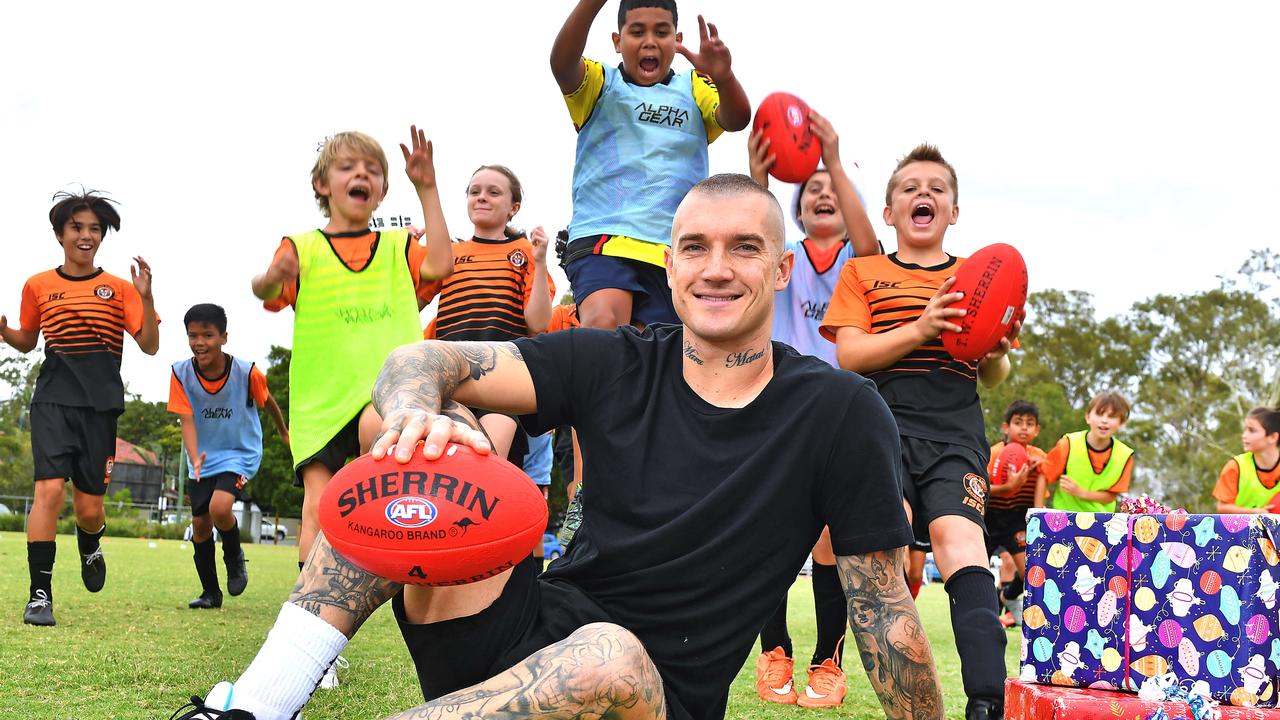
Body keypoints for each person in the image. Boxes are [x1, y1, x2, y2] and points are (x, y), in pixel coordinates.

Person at [174, 174, 943, 720]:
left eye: (744, 249)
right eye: (695, 248)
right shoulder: (613, 358)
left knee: (607, 652)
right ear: (668, 267)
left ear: (779, 270)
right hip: (519, 629)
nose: (716, 268)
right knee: (411, 459)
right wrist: (416, 416)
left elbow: (882, 610)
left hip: (646, 692)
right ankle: (254, 706)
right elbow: (420, 361)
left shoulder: (840, 409)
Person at [820, 144, 1016, 720]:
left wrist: (997, 348)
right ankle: (896, 698)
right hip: (879, 429)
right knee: (885, 545)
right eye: (908, 187)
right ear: (888, 213)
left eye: (936, 187)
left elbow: (994, 372)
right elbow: (850, 356)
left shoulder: (976, 277)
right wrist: (924, 324)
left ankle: (986, 700)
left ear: (954, 210)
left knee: (961, 546)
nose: (922, 193)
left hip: (955, 432)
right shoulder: (864, 272)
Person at [251, 127, 453, 569]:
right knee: (317, 508)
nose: (362, 173)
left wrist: (428, 188)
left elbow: (442, 264)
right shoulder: (301, 248)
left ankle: (391, 556)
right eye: (348, 167)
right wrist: (272, 275)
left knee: (379, 438)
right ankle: (309, 614)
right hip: (320, 399)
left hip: (385, 389)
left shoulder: (400, 245)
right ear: (323, 185)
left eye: (373, 170)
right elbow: (263, 290)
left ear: (381, 190)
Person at [745, 110, 878, 709]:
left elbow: (870, 239)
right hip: (774, 402)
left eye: (832, 189)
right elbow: (755, 225)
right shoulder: (782, 259)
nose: (822, 195)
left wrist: (829, 160)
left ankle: (828, 660)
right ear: (795, 211)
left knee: (829, 538)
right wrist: (760, 176)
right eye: (812, 191)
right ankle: (774, 649)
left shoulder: (861, 258)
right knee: (767, 531)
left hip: (838, 409)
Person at [0, 189, 159, 626]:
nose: (86, 236)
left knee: (89, 509)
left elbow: (148, 346)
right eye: (77, 228)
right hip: (52, 400)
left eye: (94, 229)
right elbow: (28, 339)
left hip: (101, 407)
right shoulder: (37, 285)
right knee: (48, 492)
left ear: (102, 236)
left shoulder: (121, 289)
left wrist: (145, 296)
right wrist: (5, 331)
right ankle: (39, 595)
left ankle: (90, 544)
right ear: (59, 234)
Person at [550, 0, 750, 330]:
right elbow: (562, 63)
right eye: (637, 31)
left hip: (673, 249)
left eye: (661, 32)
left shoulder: (694, 86)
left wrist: (724, 77)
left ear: (677, 38)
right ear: (617, 41)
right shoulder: (601, 85)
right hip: (605, 235)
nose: (649, 41)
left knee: (657, 354)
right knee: (605, 328)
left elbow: (737, 118)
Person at [420, 164, 554, 461]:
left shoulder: (524, 251)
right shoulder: (449, 252)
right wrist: (405, 250)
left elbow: (538, 322)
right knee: (443, 464)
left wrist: (541, 262)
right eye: (474, 192)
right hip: (449, 378)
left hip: (503, 376)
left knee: (484, 462)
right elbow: (411, 302)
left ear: (513, 207)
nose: (482, 198)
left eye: (494, 192)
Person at [167, 303, 289, 609]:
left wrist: (283, 432)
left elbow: (269, 402)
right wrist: (194, 458)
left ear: (223, 337)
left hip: (240, 453)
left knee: (220, 508)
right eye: (192, 335)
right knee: (200, 523)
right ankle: (211, 592)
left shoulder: (247, 372)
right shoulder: (180, 373)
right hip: (203, 457)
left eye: (207, 335)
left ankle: (235, 558)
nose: (199, 342)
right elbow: (187, 420)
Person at [984, 400, 1046, 628]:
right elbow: (980, 490)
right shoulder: (992, 454)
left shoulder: (1039, 457)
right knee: (977, 570)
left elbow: (1043, 491)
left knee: (1033, 570)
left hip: (1018, 519)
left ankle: (1008, 596)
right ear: (1005, 427)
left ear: (1037, 430)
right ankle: (988, 615)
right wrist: (1007, 487)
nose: (1024, 428)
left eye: (1030, 424)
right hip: (988, 517)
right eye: (1018, 422)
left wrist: (1044, 469)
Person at [1039, 391, 1134, 513]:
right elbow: (1044, 475)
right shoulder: (1068, 443)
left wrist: (1081, 492)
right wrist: (1037, 512)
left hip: (1101, 523)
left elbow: (1111, 496)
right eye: (1099, 414)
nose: (1104, 420)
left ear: (1121, 423)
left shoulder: (1125, 456)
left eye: (1111, 416)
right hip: (1064, 519)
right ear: (1088, 417)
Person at [1213, 406, 1280, 514]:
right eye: (1245, 430)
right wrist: (1254, 513)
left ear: (1272, 437)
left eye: (1252, 430)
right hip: (1240, 529)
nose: (1244, 435)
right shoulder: (1235, 467)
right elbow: (1222, 508)